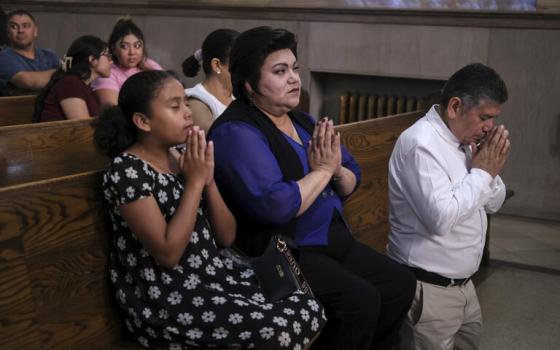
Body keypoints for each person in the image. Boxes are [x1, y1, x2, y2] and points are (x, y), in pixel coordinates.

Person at [208, 26, 416, 350]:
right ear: (248, 84)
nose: (293, 78)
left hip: (330, 241)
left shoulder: (302, 120)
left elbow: (352, 175)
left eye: (294, 68)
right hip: (283, 253)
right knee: (360, 301)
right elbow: (276, 205)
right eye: (280, 71)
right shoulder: (236, 131)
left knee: (400, 283)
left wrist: (334, 171)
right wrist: (323, 171)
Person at [93, 69, 326, 350]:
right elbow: (167, 254)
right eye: (174, 106)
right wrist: (193, 183)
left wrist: (209, 181)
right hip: (167, 297)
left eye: (185, 103)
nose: (188, 113)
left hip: (211, 275)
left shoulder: (179, 157)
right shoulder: (126, 171)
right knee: (277, 328)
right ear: (143, 121)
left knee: (305, 305)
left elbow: (226, 238)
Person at [387, 63, 511, 350]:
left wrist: (487, 172)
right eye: (484, 117)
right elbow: (441, 219)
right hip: (429, 291)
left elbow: (495, 202)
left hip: (465, 287)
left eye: (493, 118)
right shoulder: (422, 145)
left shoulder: (466, 140)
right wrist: (482, 174)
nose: (489, 127)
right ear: (455, 106)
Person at [33, 35, 111, 122]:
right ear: (92, 59)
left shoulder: (84, 85)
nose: (111, 62)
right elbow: (83, 127)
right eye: (107, 56)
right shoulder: (71, 84)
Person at [92, 16, 162, 106]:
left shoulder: (148, 64)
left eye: (137, 46)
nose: (132, 52)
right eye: (124, 46)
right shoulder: (107, 73)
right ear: (113, 48)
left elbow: (169, 89)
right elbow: (113, 112)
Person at [183, 29, 238, 132]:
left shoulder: (238, 97)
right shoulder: (195, 100)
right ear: (216, 65)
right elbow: (221, 137)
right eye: (240, 63)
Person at [0, 9, 60, 96]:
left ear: (35, 31)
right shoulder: (3, 58)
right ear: (8, 33)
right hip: (19, 108)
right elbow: (28, 82)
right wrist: (61, 73)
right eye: (14, 26)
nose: (20, 30)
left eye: (26, 26)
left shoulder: (50, 55)